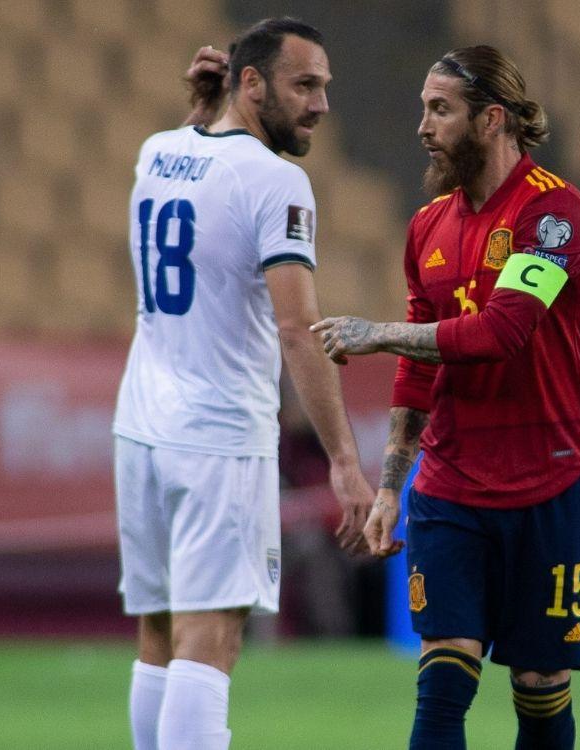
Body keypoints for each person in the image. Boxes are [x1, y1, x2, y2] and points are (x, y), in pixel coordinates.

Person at [313, 46, 580, 749]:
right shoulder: (428, 228)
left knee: (539, 688)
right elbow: (421, 365)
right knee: (442, 681)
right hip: (451, 484)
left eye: (440, 109)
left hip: (551, 477)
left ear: (491, 119)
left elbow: (505, 330)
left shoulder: (554, 216)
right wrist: (392, 483)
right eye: (423, 108)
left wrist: (375, 332)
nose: (424, 125)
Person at [113, 17, 375, 750]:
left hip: (140, 426)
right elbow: (299, 330)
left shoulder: (157, 150)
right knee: (214, 638)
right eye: (305, 85)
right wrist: (345, 461)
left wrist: (204, 117)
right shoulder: (276, 180)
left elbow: (199, 167)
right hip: (219, 436)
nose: (320, 104)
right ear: (250, 81)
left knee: (158, 634)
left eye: (324, 86)